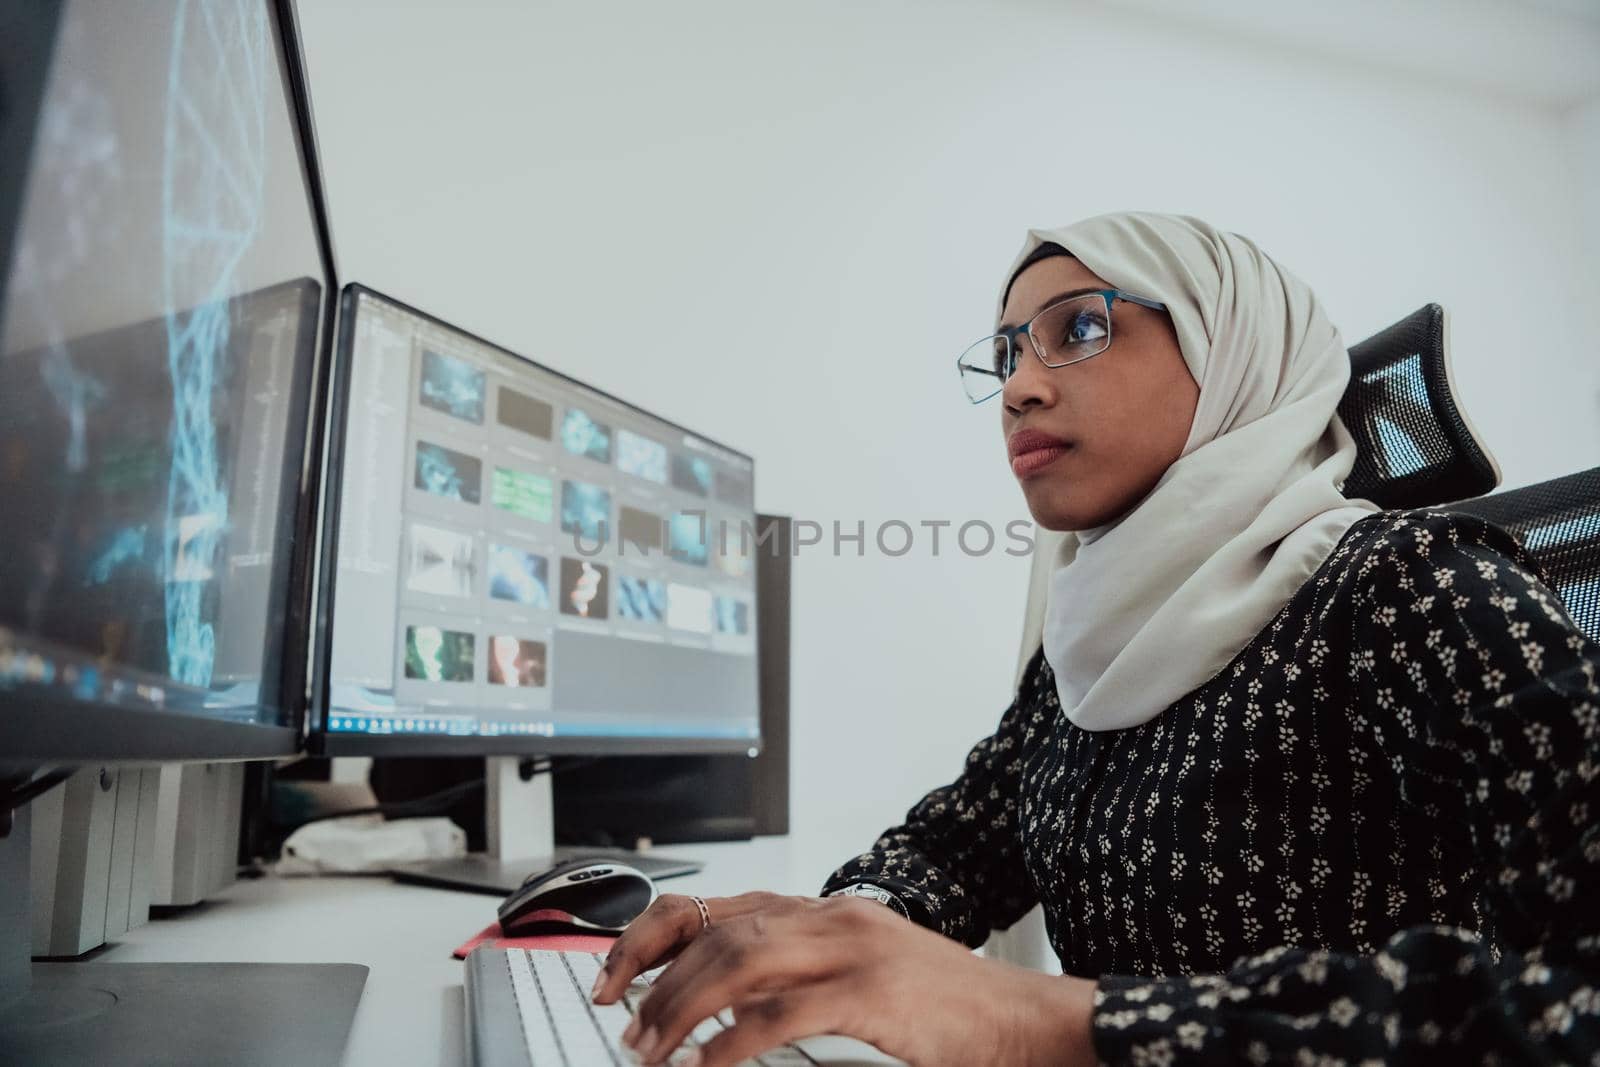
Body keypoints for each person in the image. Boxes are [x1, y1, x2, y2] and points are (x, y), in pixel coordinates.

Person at [590, 211, 1600, 1066]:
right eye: (1005, 355)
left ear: (1228, 347)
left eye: (1076, 327)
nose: (1021, 386)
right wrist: (823, 925)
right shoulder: (1087, 640)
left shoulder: (1411, 585)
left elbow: (1572, 1001)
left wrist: (1052, 1018)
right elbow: (958, 843)